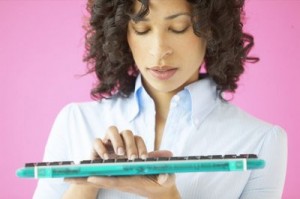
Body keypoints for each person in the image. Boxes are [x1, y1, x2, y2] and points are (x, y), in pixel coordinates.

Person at [33, 0, 287, 198]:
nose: (158, 50)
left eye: (178, 28)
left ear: (212, 30)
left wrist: (168, 196)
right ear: (123, 34)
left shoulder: (261, 141)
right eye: (141, 29)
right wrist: (87, 185)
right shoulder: (76, 122)